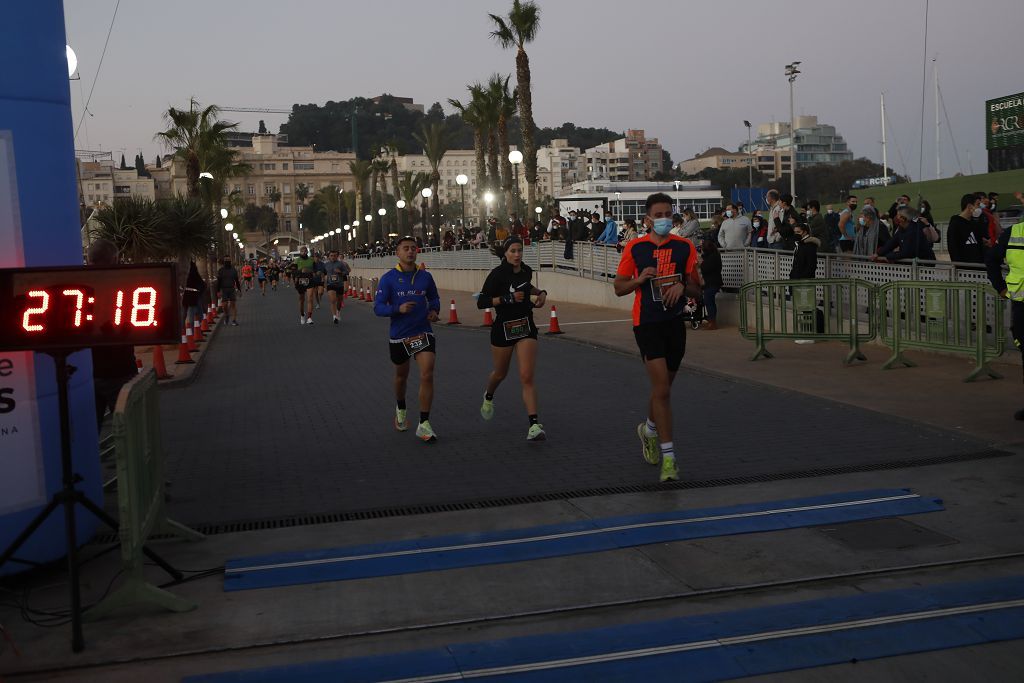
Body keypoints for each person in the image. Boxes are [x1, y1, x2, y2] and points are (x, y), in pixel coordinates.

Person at [613, 192, 701, 483]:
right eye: (658, 215)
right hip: (647, 323)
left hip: (674, 324)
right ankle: (669, 459)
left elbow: (697, 289)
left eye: (668, 214)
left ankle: (649, 429)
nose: (664, 219)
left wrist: (681, 286)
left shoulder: (684, 247)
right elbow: (619, 287)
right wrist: (639, 280)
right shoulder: (635, 248)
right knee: (661, 389)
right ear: (648, 218)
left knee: (664, 388)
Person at [476, 237, 548, 441]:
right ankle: (488, 395)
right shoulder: (497, 275)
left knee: (526, 376)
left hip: (525, 326)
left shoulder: (526, 270)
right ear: (505, 253)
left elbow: (527, 287)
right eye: (513, 251)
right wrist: (507, 299)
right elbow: (481, 302)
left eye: (520, 251)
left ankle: (534, 424)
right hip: (503, 328)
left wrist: (541, 293)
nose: (517, 255)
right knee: (500, 373)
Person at [373, 236, 442, 442]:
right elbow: (378, 307)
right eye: (406, 248)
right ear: (398, 252)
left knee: (427, 372)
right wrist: (398, 309)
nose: (410, 252)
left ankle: (424, 423)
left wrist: (434, 310)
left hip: (423, 332)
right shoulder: (388, 278)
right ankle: (401, 407)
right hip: (399, 336)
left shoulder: (425, 277)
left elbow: (434, 297)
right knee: (401, 376)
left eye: (413, 248)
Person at [88, 239, 138, 428]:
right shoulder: (125, 283)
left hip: (89, 372)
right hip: (121, 369)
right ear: (115, 259)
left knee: (89, 431)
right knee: (128, 431)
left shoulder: (78, 284)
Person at [986, 191, 1024, 420]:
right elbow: (991, 259)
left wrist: (1000, 287)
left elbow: (991, 259)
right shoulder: (1013, 233)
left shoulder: (1013, 233)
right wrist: (1000, 287)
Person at [948, 194, 986, 265]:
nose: (979, 208)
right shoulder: (955, 224)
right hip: (965, 270)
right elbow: (953, 248)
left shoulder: (974, 223)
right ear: (969, 206)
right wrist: (959, 266)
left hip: (979, 267)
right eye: (977, 205)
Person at [700, 237, 722, 331]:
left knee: (708, 301)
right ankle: (711, 321)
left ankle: (712, 322)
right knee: (710, 301)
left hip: (712, 283)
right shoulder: (714, 255)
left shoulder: (713, 257)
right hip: (712, 282)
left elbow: (705, 268)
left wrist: (700, 262)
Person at [323, 250, 351, 324]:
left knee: (339, 301)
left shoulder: (341, 264)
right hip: (330, 284)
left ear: (337, 256)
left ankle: (338, 311)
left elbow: (347, 272)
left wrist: (340, 272)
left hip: (339, 284)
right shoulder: (326, 264)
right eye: (331, 256)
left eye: (334, 256)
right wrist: (324, 283)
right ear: (329, 256)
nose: (333, 257)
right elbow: (323, 273)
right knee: (333, 300)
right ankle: (334, 316)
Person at [293, 246, 316, 324]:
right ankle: (302, 314)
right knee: (302, 300)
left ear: (307, 252)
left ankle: (309, 317)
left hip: (310, 280)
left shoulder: (311, 260)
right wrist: (300, 271)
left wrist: (308, 270)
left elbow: (314, 271)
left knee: (310, 298)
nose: (304, 252)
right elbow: (294, 272)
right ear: (300, 252)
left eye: (305, 251)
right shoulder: (296, 261)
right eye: (302, 251)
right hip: (300, 281)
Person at [215, 257, 241, 326]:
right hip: (224, 290)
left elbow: (237, 281)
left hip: (232, 289)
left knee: (233, 304)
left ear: (230, 261)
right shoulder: (221, 270)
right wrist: (218, 291)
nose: (227, 262)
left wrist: (239, 290)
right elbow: (219, 282)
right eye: (226, 260)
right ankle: (226, 315)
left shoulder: (233, 270)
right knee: (224, 305)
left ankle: (234, 320)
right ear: (224, 261)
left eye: (228, 260)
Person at [181, 260, 206, 328]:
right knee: (192, 316)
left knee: (184, 315)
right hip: (193, 297)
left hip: (185, 296)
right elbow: (202, 284)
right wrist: (199, 292)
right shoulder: (193, 272)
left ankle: (183, 333)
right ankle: (191, 333)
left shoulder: (181, 272)